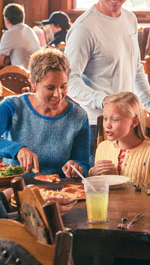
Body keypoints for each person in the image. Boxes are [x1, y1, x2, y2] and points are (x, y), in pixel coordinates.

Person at [65, 0, 150, 150]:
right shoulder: (84, 28)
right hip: (95, 125)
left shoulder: (130, 19)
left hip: (128, 123)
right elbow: (69, 81)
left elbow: (135, 69)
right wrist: (105, 101)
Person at [0, 48, 90, 176]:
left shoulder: (79, 117)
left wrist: (77, 167)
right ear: (33, 84)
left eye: (63, 86)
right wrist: (17, 149)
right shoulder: (12, 106)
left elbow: (84, 165)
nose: (58, 94)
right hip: (16, 188)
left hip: (59, 190)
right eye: (50, 87)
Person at [90, 92, 150, 186]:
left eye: (115, 120)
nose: (107, 125)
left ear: (134, 122)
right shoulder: (102, 148)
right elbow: (96, 190)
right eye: (105, 118)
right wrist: (93, 174)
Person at [0, 3, 41, 68]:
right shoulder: (30, 30)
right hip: (36, 73)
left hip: (21, 75)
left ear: (6, 19)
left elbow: (1, 62)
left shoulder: (9, 34)